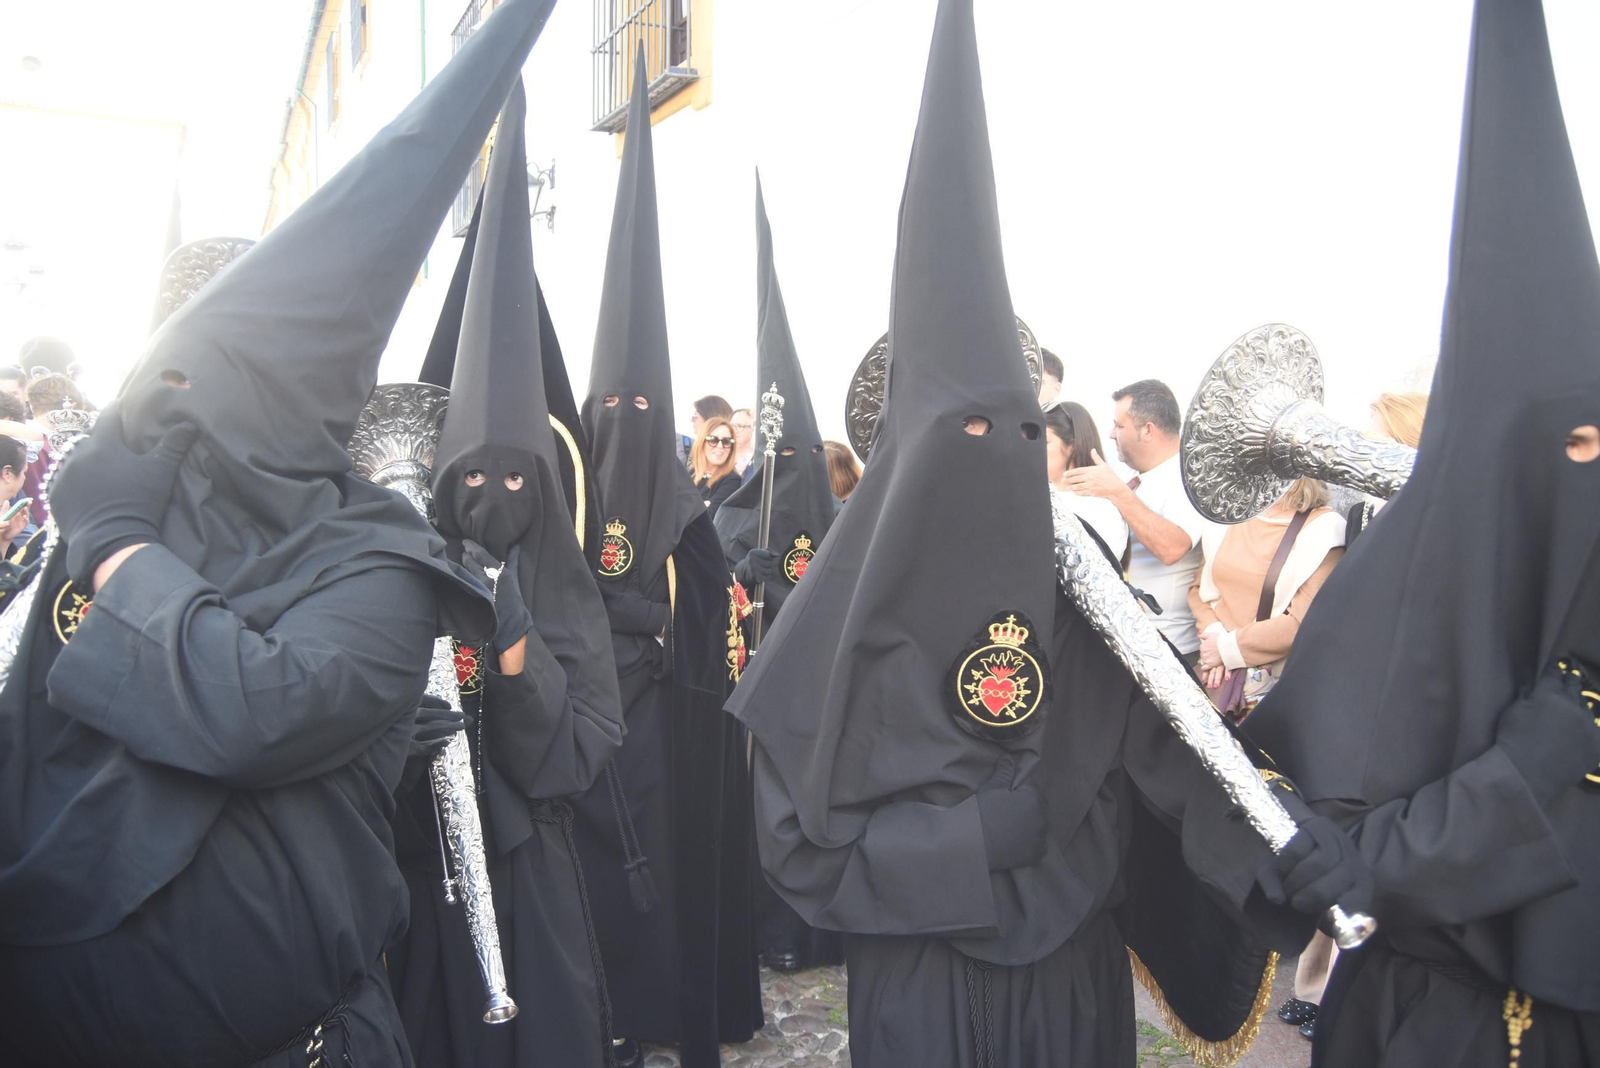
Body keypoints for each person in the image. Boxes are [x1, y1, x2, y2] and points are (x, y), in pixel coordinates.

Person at [728, 4, 1368, 1065]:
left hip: (1074, 981)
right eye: (964, 434)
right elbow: (794, 849)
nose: (993, 458)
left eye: (1017, 433)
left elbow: (1175, 767)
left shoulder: (1082, 598)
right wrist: (973, 839)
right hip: (920, 986)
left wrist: (1287, 855)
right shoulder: (830, 626)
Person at [0, 4, 557, 1061]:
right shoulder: (126, 512)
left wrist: (120, 549)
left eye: (196, 384)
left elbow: (257, 711)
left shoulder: (378, 561)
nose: (169, 410)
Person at [1246, 2, 1600, 1064]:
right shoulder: (1387, 589)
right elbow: (1285, 791)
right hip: (1412, 1018)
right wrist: (1325, 852)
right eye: (1569, 444)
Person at [385, 79, 624, 1068]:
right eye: (469, 475)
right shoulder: (405, 572)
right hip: (416, 875)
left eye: (513, 475)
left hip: (529, 881)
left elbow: (572, 758)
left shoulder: (566, 591)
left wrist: (516, 648)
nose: (491, 493)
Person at [574, 48, 761, 1068]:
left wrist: (646, 619)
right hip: (589, 738)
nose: (625, 425)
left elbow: (711, 614)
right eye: (611, 411)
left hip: (672, 738)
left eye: (641, 411)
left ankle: (676, 1025)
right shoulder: (570, 498)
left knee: (673, 886)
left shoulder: (688, 508)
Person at [713, 176, 844, 975]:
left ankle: (812, 930)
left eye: (797, 458)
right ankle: (764, 930)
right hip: (749, 695)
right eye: (777, 457)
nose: (786, 470)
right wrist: (739, 571)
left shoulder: (836, 524)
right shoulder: (734, 511)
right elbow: (704, 593)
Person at [1063, 377, 1210, 661]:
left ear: (1148, 430)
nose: (1110, 434)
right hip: (1131, 639)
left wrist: (1118, 493)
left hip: (1170, 648)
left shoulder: (1189, 481)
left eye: (1119, 425)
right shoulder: (1137, 481)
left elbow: (1172, 548)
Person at [1189, 476, 1344, 722]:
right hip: (1215, 672)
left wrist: (1226, 649)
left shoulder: (1325, 528)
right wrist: (1214, 639)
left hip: (1272, 691)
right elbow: (1199, 589)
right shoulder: (1232, 511)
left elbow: (1301, 624)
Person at [1043, 399, 1127, 561]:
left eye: (1044, 442)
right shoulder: (1031, 497)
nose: (1033, 449)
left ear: (1072, 445)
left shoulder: (1102, 508)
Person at [1345, 391, 1428, 541]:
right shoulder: (1359, 514)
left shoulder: (1440, 517)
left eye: (1380, 443)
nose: (1369, 452)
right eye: (1369, 442)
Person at [690, 416, 742, 521]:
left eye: (726, 441)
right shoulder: (690, 474)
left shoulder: (732, 480)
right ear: (702, 442)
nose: (720, 446)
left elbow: (708, 518)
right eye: (713, 440)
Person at [680, 394, 732, 468]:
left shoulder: (722, 454)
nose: (692, 419)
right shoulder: (697, 449)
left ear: (710, 418)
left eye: (696, 415)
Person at [730, 407, 756, 478]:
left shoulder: (757, 458)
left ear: (752, 429)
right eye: (732, 426)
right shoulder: (723, 453)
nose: (734, 430)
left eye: (740, 426)